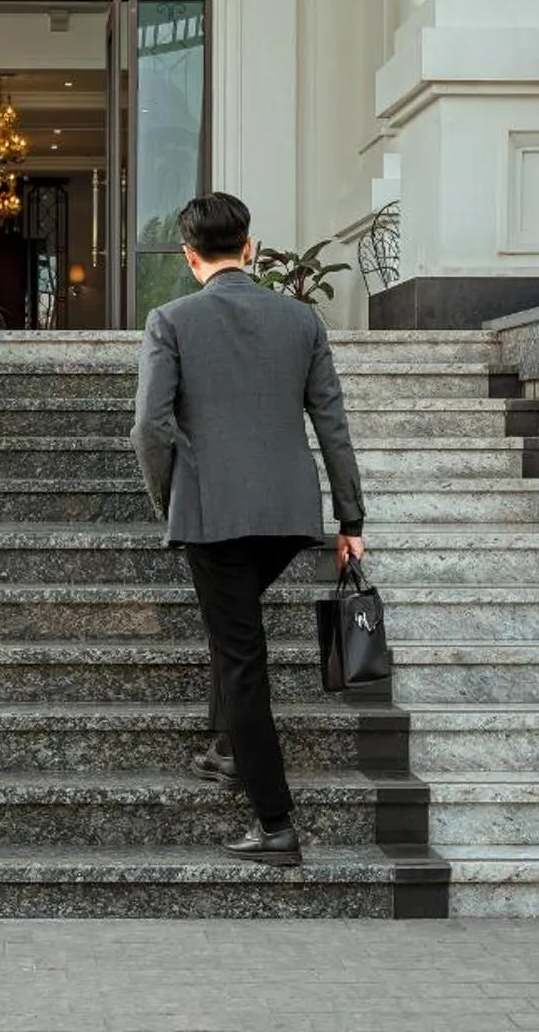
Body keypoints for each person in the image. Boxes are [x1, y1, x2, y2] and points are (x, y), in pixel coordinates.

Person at [131, 191, 366, 869]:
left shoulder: (171, 319)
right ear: (251, 246)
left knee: (242, 657)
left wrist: (169, 496)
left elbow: (149, 427)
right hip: (289, 516)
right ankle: (229, 744)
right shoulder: (301, 319)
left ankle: (275, 823)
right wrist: (351, 519)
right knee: (233, 629)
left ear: (189, 254)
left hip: (215, 517)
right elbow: (332, 425)